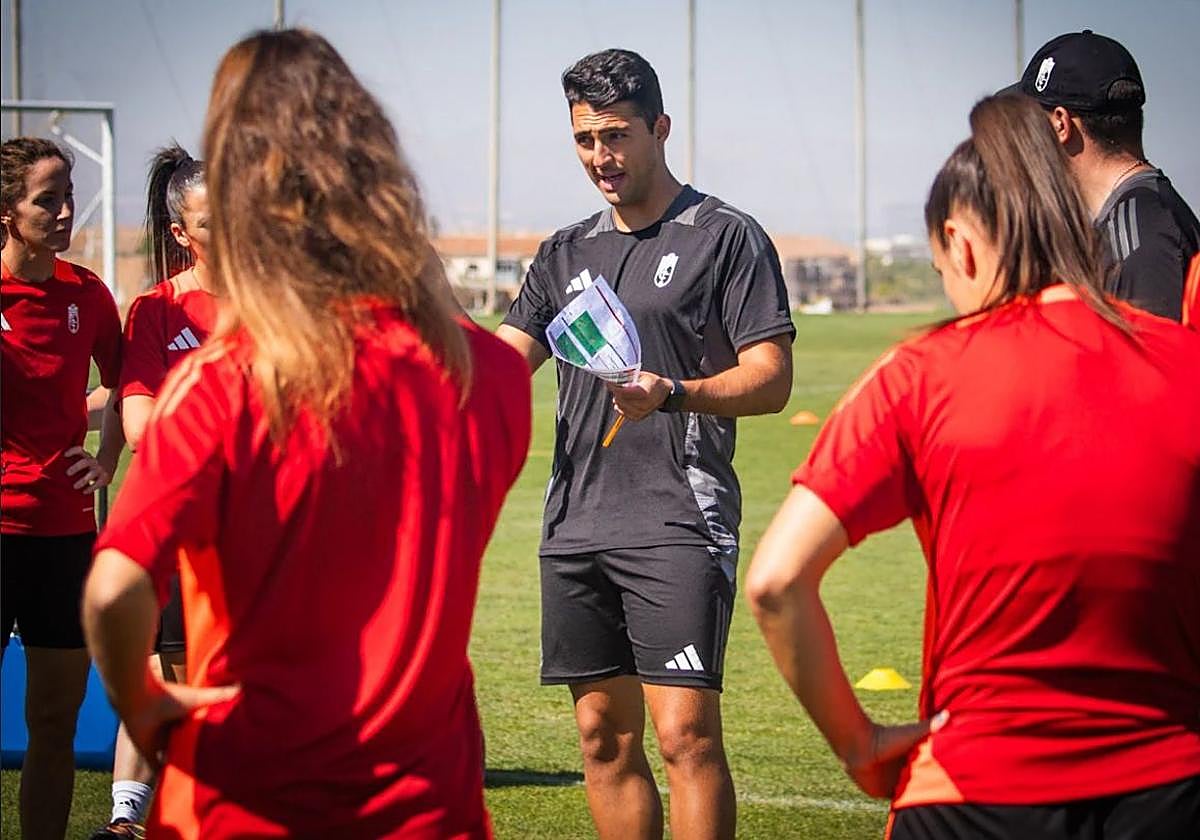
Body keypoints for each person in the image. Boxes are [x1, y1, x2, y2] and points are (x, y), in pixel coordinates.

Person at [82, 29, 530, 838]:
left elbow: (113, 591)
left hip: (241, 803)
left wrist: (144, 704)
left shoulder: (219, 386)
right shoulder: (493, 380)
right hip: (427, 806)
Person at [746, 94, 1200, 840]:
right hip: (1170, 790)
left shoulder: (920, 373)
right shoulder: (1185, 360)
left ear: (959, 245)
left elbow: (774, 582)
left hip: (970, 793)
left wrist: (860, 747)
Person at [496, 48, 794, 840]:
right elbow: (497, 365)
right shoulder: (564, 252)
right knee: (603, 741)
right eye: (586, 139)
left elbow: (771, 377)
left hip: (677, 522)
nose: (602, 156)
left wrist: (676, 393)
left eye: (617, 135)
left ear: (660, 128)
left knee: (685, 739)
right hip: (575, 525)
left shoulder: (725, 236)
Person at [90, 144, 217, 840]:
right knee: (167, 674)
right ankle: (128, 818)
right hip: (171, 523)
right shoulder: (157, 310)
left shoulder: (277, 306)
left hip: (258, 531)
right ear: (181, 232)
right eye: (211, 218)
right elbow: (137, 418)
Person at [1, 136, 124, 840]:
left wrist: (104, 457)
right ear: (7, 213)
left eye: (66, 196)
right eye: (46, 199)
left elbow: (127, 379)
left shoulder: (86, 293)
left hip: (65, 535)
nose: (64, 210)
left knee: (54, 718)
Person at [1003, 29, 1200, 321]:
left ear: (1061, 124)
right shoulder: (1140, 213)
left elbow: (1153, 363)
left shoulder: (1140, 236)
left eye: (1032, 122)